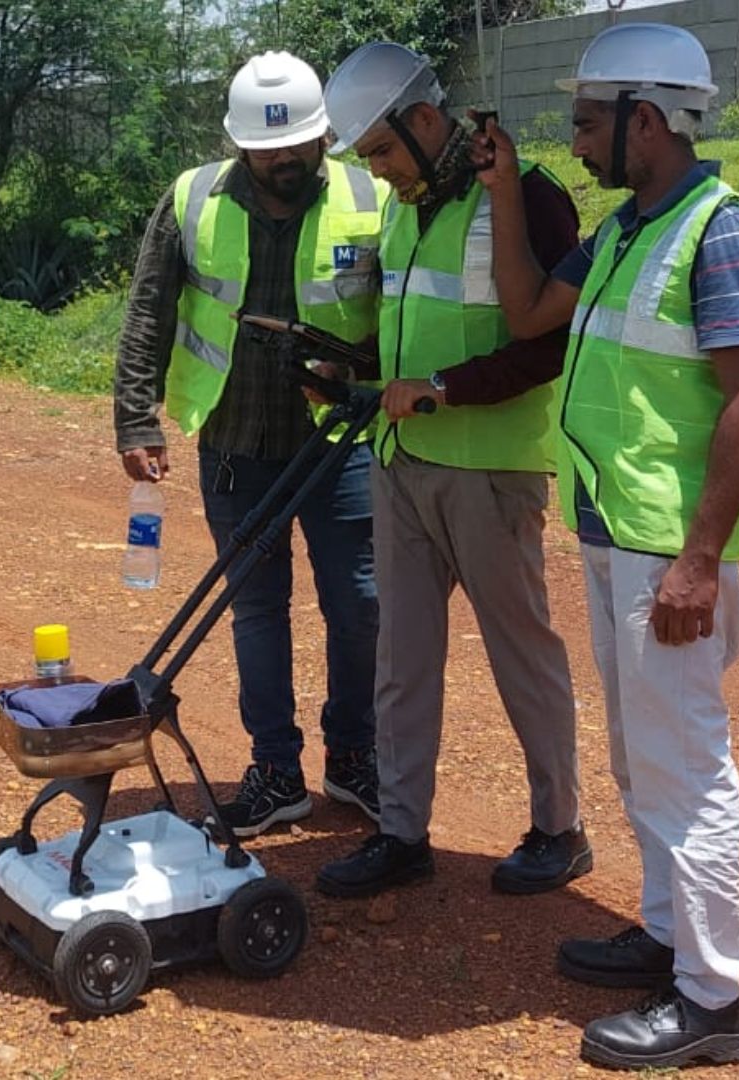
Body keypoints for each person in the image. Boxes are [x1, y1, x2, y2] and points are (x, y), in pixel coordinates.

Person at [479, 22, 739, 1070]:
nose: (578, 142)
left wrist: (700, 560)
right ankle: (665, 935)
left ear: (643, 121)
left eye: (586, 123)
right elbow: (526, 316)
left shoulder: (720, 231)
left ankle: (711, 1001)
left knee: (684, 768)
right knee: (641, 759)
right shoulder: (620, 234)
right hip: (614, 533)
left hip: (668, 552)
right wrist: (505, 188)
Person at [309, 43, 591, 902]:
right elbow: (408, 324)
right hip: (402, 462)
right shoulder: (407, 205)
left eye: (385, 153)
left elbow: (545, 343)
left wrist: (442, 391)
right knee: (402, 656)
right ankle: (401, 832)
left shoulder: (529, 194)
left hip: (490, 471)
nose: (381, 173)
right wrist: (345, 368)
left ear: (425, 122)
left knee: (521, 653)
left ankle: (559, 829)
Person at [113, 51, 389, 837]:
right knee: (256, 611)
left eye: (300, 146)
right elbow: (147, 313)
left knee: (360, 607)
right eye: (269, 150)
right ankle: (275, 771)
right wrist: (135, 418)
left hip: (341, 444)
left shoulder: (372, 197)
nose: (285, 161)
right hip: (236, 443)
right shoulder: (192, 199)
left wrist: (362, 367)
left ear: (325, 136)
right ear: (239, 144)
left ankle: (353, 758)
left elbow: (402, 314)